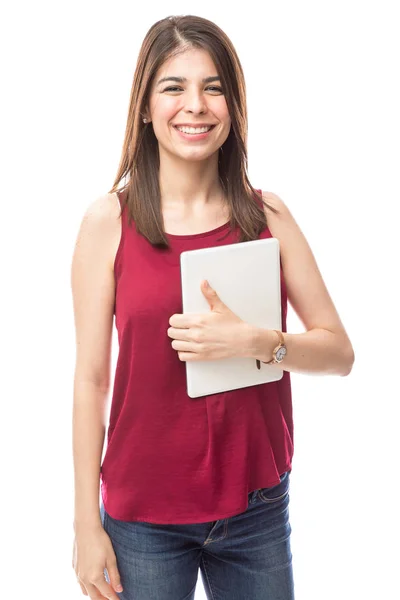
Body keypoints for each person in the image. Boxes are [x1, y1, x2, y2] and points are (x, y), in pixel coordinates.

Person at [71, 14, 355, 600]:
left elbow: (339, 351)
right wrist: (84, 521)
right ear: (145, 109)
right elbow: (91, 379)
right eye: (174, 87)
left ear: (233, 106)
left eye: (214, 87)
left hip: (255, 508)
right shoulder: (108, 223)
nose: (195, 106)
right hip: (142, 517)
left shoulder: (267, 217)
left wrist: (260, 344)